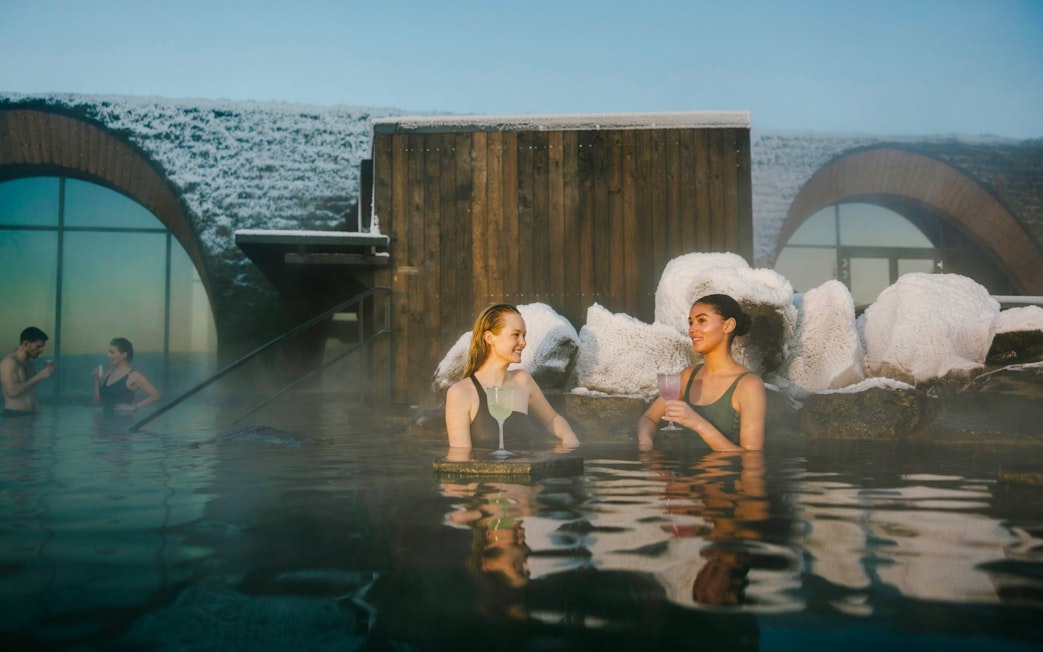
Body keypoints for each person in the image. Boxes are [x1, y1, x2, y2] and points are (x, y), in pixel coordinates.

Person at [638, 294, 766, 452]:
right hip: (682, 475)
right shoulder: (687, 376)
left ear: (728, 325)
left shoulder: (748, 385)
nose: (692, 329)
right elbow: (649, 418)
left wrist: (696, 423)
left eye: (701, 321)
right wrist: (646, 446)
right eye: (690, 322)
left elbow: (751, 457)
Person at [445, 304, 580, 452]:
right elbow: (460, 458)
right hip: (484, 473)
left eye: (524, 335)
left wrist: (569, 436)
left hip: (525, 471)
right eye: (515, 335)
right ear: (490, 338)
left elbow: (552, 420)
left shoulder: (523, 381)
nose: (523, 342)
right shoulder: (461, 393)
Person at [92, 338, 161, 415]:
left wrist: (134, 407)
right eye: (108, 352)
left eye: (112, 353)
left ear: (124, 355)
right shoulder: (109, 373)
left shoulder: (134, 376)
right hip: (106, 424)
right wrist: (96, 379)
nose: (108, 355)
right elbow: (97, 401)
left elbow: (156, 395)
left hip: (123, 423)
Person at [1, 326, 55, 417]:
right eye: (38, 346)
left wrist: (40, 413)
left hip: (30, 415)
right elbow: (11, 392)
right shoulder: (9, 363)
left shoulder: (30, 365)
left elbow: (31, 394)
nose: (41, 350)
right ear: (26, 343)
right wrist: (39, 376)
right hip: (14, 417)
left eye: (42, 346)